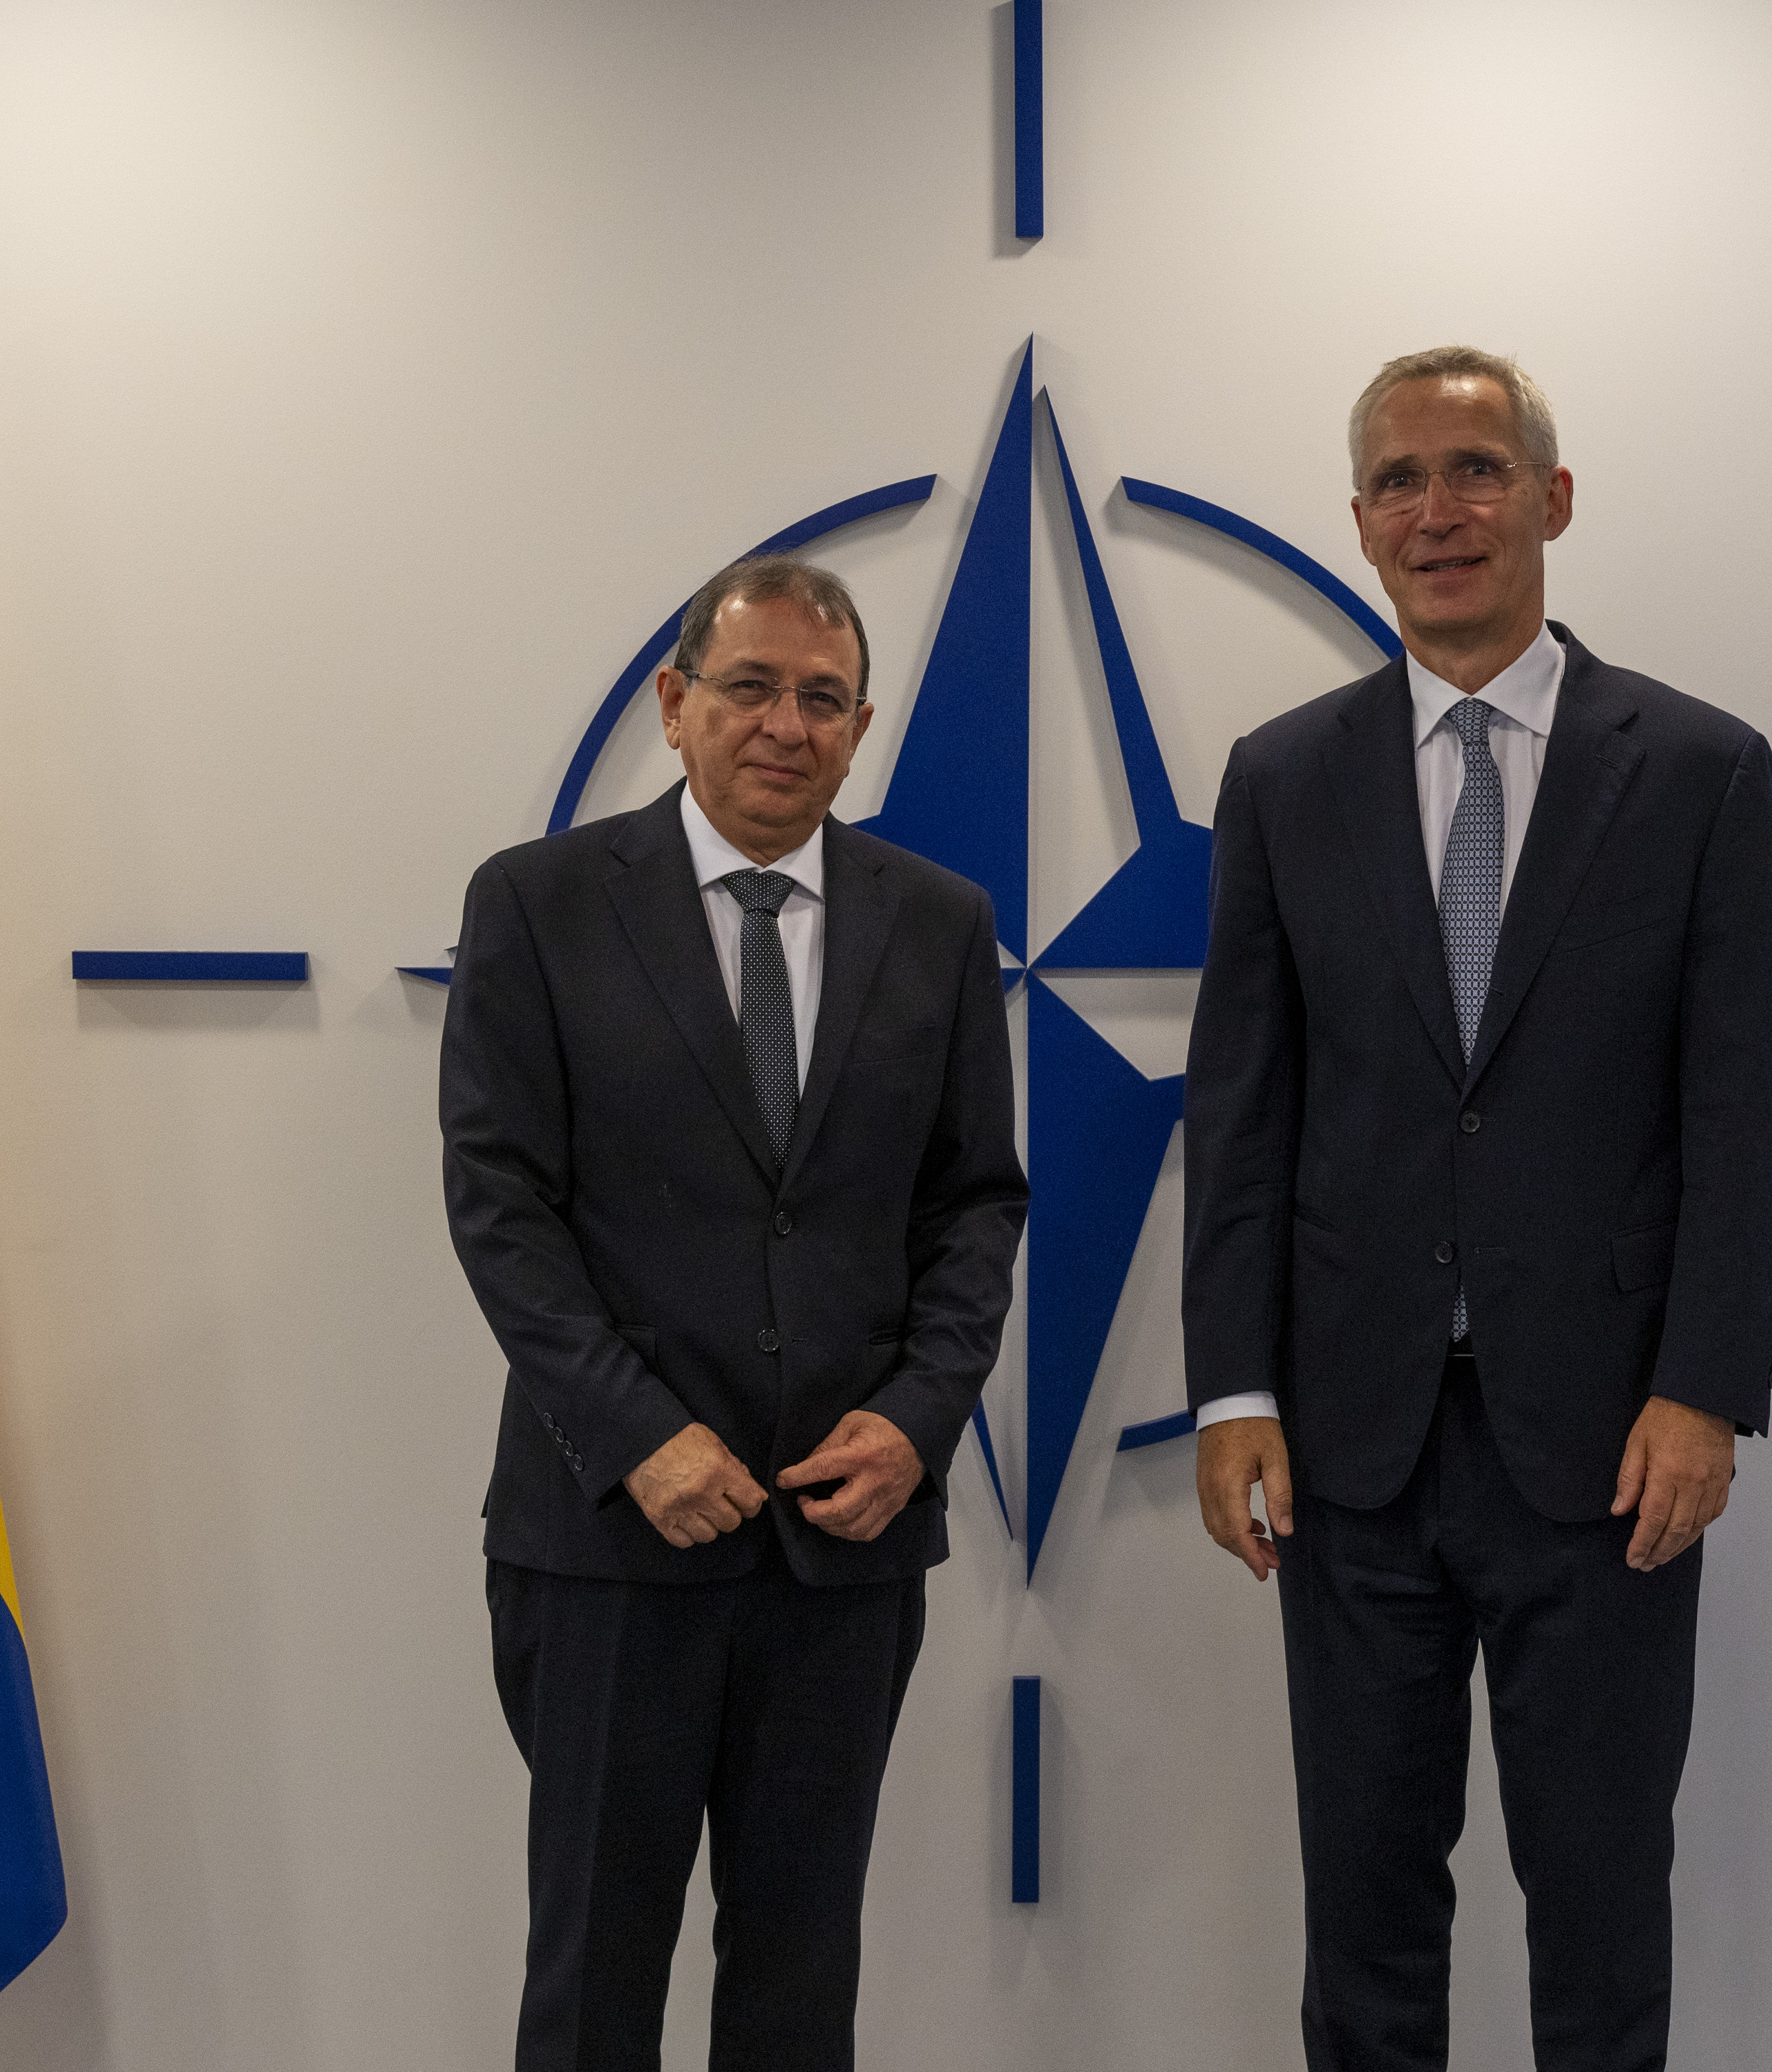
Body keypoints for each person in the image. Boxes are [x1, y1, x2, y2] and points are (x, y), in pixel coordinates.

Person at [1181, 347, 1772, 2071]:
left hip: (1607, 1448)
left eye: (1471, 468)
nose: (1435, 511)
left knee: (1600, 1905)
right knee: (1367, 1914)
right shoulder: (1281, 775)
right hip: (1347, 1450)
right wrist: (1233, 1386)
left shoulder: (1694, 768)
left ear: (1552, 496)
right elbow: (1240, 1113)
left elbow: (1742, 1114)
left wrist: (1704, 1386)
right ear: (1361, 524)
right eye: (1398, 480)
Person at [441, 554, 1025, 2072]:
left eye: (822, 699)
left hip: (841, 1546)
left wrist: (915, 1423)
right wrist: (637, 1435)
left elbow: (975, 1206)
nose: (785, 724)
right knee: (593, 1979)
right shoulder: (540, 903)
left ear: (862, 724)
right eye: (750, 686)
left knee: (797, 1980)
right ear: (674, 701)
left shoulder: (940, 921)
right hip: (609, 1541)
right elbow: (501, 1202)